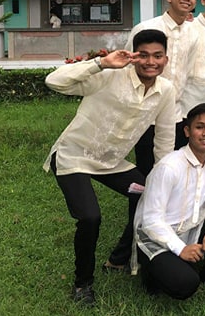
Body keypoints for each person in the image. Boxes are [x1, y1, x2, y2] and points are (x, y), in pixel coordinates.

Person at [44, 29, 176, 306]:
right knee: (90, 217)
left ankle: (121, 259)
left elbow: (164, 139)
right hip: (74, 157)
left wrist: (162, 178)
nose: (150, 62)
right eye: (143, 55)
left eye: (158, 56)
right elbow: (53, 81)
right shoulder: (110, 75)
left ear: (166, 58)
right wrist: (101, 63)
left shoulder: (166, 90)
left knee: (148, 194)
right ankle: (83, 284)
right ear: (134, 55)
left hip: (112, 164)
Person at [134, 103, 205, 299]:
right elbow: (151, 220)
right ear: (187, 131)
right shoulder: (169, 167)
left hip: (193, 229)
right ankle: (152, 272)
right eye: (199, 127)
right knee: (186, 283)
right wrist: (181, 249)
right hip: (159, 238)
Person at [126, 0, 200, 175]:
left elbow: (187, 71)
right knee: (146, 169)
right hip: (145, 111)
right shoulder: (146, 28)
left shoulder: (193, 33)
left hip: (175, 112)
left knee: (174, 167)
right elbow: (129, 67)